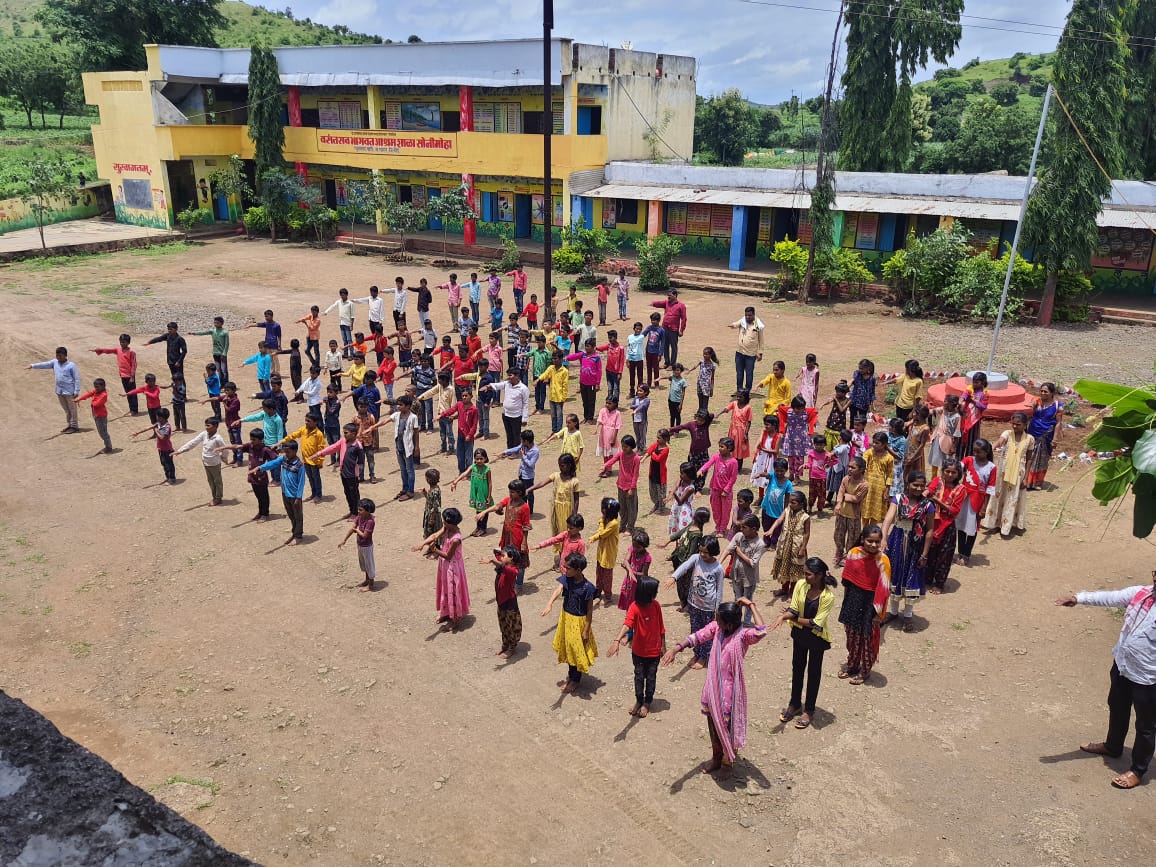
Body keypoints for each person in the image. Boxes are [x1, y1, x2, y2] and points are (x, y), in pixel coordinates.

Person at [1055, 573, 1156, 790]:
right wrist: (1079, 598)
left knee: (1146, 726)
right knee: (1117, 707)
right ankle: (1113, 746)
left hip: (1148, 679)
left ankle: (1137, 770)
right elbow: (1112, 597)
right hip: (1122, 666)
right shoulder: (1142, 593)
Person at [661, 599, 766, 774]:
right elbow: (697, 636)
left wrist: (751, 605)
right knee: (713, 725)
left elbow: (761, 631)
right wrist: (676, 649)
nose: (715, 621)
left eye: (719, 619)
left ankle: (727, 762)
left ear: (729, 624)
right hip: (712, 690)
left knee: (728, 729)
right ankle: (716, 758)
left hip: (729, 694)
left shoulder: (743, 636)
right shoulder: (717, 629)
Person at [773, 557, 836, 729]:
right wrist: (785, 615)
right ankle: (794, 704)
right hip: (800, 635)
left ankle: (809, 710)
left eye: (808, 574)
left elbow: (816, 623)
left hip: (816, 638)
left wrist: (792, 617)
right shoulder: (801, 585)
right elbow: (793, 607)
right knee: (797, 668)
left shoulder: (828, 596)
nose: (805, 576)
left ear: (819, 575)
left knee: (814, 673)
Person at [882, 471, 936, 632]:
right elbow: (888, 520)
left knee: (911, 576)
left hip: (916, 545)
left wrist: (925, 553)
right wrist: (884, 538)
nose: (919, 488)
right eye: (915, 485)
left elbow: (929, 530)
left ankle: (907, 614)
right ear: (908, 484)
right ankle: (892, 611)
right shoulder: (898, 500)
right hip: (896, 542)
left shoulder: (928, 505)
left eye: (922, 485)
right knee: (895, 574)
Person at [838, 525, 891, 685]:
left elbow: (884, 589)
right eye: (870, 541)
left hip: (871, 603)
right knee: (852, 635)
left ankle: (865, 670)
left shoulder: (883, 561)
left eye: (877, 542)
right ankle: (852, 664)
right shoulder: (853, 554)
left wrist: (878, 614)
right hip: (853, 599)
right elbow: (847, 581)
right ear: (863, 539)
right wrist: (846, 604)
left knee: (868, 638)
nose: (874, 545)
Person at [607, 576, 665, 717]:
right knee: (639, 677)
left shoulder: (656, 606)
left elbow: (661, 628)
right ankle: (639, 701)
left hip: (654, 652)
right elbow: (627, 624)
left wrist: (663, 646)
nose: (656, 594)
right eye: (654, 591)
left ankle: (647, 703)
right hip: (638, 652)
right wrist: (617, 640)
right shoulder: (634, 607)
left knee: (651, 677)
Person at [542, 552, 599, 693]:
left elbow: (590, 611)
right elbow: (559, 588)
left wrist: (586, 630)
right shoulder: (568, 579)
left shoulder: (588, 588)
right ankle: (572, 675)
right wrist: (549, 603)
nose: (565, 570)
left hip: (578, 622)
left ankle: (575, 680)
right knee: (568, 648)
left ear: (578, 570)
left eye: (568, 568)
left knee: (576, 649)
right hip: (566, 618)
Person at [667, 535, 725, 669]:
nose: (702, 554)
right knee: (695, 630)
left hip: (708, 608)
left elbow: (720, 591)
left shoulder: (718, 568)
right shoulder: (696, 558)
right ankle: (696, 653)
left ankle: (704, 657)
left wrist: (717, 610)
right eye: (701, 551)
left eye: (706, 552)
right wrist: (674, 577)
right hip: (693, 604)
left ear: (713, 551)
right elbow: (684, 566)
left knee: (706, 633)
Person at [415, 508, 469, 631]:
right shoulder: (447, 529)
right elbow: (435, 535)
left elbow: (448, 555)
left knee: (453, 592)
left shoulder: (456, 538)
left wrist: (435, 550)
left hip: (453, 567)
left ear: (451, 523)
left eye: (445, 522)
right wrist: (422, 544)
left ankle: (455, 619)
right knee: (445, 589)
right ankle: (446, 613)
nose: (443, 524)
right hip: (445, 566)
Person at [528, 454, 581, 561]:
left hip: (567, 511)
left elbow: (576, 500)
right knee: (557, 533)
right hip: (556, 510)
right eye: (559, 465)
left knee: (566, 533)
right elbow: (542, 482)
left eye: (563, 465)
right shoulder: (556, 476)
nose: (561, 468)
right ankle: (562, 557)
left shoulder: (574, 481)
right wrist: (530, 489)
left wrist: (574, 515)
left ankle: (567, 559)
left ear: (570, 465)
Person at [925, 459, 966, 594]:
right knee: (929, 552)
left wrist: (936, 500)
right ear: (943, 471)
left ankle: (939, 584)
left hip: (947, 526)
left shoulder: (961, 489)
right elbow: (928, 491)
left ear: (958, 474)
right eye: (947, 471)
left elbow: (954, 510)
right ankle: (927, 579)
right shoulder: (937, 481)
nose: (949, 474)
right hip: (931, 521)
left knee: (944, 555)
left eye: (953, 472)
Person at [218, 429, 276, 520]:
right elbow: (237, 446)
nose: (251, 441)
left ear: (260, 440)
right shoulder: (250, 446)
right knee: (258, 496)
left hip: (262, 477)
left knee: (263, 496)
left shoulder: (265, 450)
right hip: (252, 477)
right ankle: (260, 512)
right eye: (251, 439)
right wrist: (225, 447)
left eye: (254, 440)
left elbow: (275, 460)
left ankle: (265, 514)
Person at [258, 440, 306, 545]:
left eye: (288, 452)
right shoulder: (283, 459)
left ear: (295, 451)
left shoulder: (299, 465)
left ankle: (298, 535)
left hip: (294, 496)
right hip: (285, 493)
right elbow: (273, 463)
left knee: (298, 516)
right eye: (285, 451)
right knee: (291, 514)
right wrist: (260, 468)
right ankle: (294, 532)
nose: (286, 454)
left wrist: (298, 497)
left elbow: (301, 483)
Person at [956, 438, 996, 566]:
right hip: (964, 498)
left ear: (986, 452)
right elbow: (959, 466)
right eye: (974, 451)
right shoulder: (969, 460)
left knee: (972, 528)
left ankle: (966, 554)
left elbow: (990, 489)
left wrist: (984, 507)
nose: (976, 454)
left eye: (979, 452)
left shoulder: (992, 467)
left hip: (978, 500)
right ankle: (960, 552)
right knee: (961, 526)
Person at [173, 417, 227, 504]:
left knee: (217, 481)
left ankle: (218, 498)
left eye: (208, 425)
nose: (206, 427)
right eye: (205, 425)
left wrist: (224, 458)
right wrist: (180, 450)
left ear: (215, 426)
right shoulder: (204, 434)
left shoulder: (218, 439)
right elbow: (193, 442)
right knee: (210, 481)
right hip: (206, 462)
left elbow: (225, 450)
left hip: (215, 464)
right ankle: (214, 497)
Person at [481, 546, 523, 657]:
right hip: (501, 601)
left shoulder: (513, 570)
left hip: (510, 602)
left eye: (503, 556)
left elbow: (504, 567)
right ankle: (505, 644)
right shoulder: (503, 566)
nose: (500, 557)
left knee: (512, 625)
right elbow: (497, 553)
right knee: (503, 624)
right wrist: (501, 551)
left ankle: (512, 647)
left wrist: (493, 560)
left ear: (511, 558)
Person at [316, 421, 363, 518]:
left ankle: (356, 513)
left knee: (354, 494)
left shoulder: (358, 446)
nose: (344, 434)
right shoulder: (343, 441)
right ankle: (351, 511)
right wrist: (320, 453)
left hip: (352, 475)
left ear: (353, 434)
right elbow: (333, 448)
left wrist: (358, 474)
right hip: (344, 473)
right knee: (347, 493)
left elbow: (361, 462)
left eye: (346, 433)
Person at [30, 346, 82, 433]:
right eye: (57, 356)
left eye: (60, 356)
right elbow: (44, 364)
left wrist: (76, 391)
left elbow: (77, 379)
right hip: (59, 391)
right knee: (66, 409)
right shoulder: (55, 362)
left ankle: (75, 426)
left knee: (72, 409)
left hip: (69, 391)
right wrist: (32, 366)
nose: (58, 357)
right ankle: (69, 425)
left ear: (65, 356)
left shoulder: (71, 365)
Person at [725, 515, 765, 623]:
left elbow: (753, 562)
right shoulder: (739, 536)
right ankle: (736, 620)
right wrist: (719, 562)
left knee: (747, 600)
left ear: (753, 529)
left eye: (744, 527)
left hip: (749, 578)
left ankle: (747, 623)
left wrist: (739, 552)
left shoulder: (760, 544)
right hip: (736, 574)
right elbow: (728, 549)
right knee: (737, 599)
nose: (741, 529)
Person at [769, 491, 810, 598]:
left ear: (801, 504)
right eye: (789, 502)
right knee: (784, 566)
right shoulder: (787, 511)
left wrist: (803, 548)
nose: (790, 504)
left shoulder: (805, 517)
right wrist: (771, 529)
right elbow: (779, 520)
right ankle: (784, 589)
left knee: (795, 568)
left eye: (793, 502)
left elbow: (806, 533)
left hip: (796, 547)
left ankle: (792, 591)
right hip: (784, 544)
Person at [281, 412, 327, 504]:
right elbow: (293, 435)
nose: (306, 422)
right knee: (310, 477)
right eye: (306, 420)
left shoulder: (318, 434)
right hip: (306, 460)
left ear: (315, 422)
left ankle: (318, 494)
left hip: (314, 461)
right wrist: (283, 441)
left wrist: (320, 462)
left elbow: (321, 448)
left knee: (316, 478)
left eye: (309, 421)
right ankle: (313, 493)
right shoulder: (303, 430)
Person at [381, 395, 420, 500]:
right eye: (398, 404)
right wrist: (373, 427)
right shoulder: (397, 415)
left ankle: (410, 491)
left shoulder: (413, 417)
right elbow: (385, 421)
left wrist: (417, 447)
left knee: (409, 470)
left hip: (408, 448)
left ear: (408, 406)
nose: (398, 406)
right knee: (403, 470)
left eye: (401, 405)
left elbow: (416, 433)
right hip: (399, 447)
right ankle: (405, 488)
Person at [601, 435, 640, 539]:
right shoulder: (621, 454)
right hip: (620, 485)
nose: (624, 448)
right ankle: (623, 525)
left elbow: (635, 475)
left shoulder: (636, 458)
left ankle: (630, 527)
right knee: (622, 508)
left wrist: (632, 488)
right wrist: (605, 465)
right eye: (622, 446)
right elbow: (613, 459)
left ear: (631, 446)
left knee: (631, 508)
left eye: (626, 447)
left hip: (630, 487)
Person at [698, 437, 739, 537]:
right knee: (716, 510)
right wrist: (701, 470)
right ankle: (718, 527)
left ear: (729, 448)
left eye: (722, 446)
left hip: (726, 492)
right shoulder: (716, 457)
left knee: (725, 511)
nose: (720, 448)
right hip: (715, 488)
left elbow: (733, 478)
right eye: (719, 446)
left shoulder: (733, 462)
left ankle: (722, 529)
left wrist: (726, 489)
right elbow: (708, 463)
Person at [1026, 383, 1063, 489]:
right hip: (1033, 432)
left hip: (1047, 435)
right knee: (1029, 456)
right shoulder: (1037, 402)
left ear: (1052, 393)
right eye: (1041, 391)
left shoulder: (1057, 406)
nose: (1043, 393)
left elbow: (1059, 423)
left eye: (1045, 391)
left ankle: (1037, 482)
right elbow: (1029, 413)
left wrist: (1055, 438)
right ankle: (1027, 480)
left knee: (1043, 459)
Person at [832, 456, 868, 567]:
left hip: (854, 515)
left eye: (853, 467)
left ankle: (848, 554)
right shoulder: (846, 479)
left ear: (862, 469)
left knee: (853, 537)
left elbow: (856, 499)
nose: (850, 469)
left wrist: (844, 496)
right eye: (849, 467)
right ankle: (839, 551)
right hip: (842, 513)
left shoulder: (864, 485)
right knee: (838, 534)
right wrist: (838, 503)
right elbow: (840, 492)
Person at [450, 448, 493, 537]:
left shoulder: (487, 470)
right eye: (477, 459)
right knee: (478, 510)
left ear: (485, 458)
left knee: (483, 511)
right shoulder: (473, 467)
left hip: (483, 493)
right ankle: (478, 527)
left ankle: (483, 528)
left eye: (481, 458)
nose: (479, 460)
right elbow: (464, 473)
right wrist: (456, 481)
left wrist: (489, 496)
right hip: (476, 493)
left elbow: (490, 483)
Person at [91, 335, 139, 415]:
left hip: (129, 376)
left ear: (128, 343)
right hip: (123, 375)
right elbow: (109, 351)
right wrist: (99, 350)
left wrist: (132, 376)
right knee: (127, 393)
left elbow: (134, 365)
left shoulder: (131, 352)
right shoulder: (118, 350)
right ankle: (131, 409)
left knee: (132, 393)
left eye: (124, 342)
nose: (122, 343)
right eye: (121, 342)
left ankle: (134, 410)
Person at [482, 371, 530, 449]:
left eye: (510, 375)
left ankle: (516, 451)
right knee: (509, 434)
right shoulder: (507, 384)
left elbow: (525, 404)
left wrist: (525, 418)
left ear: (517, 376)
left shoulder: (523, 388)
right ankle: (509, 450)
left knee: (516, 435)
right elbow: (497, 385)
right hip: (506, 414)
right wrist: (487, 386)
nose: (508, 377)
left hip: (516, 416)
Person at [339, 498, 377, 591]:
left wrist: (357, 530)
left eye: (361, 510)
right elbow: (352, 528)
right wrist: (344, 540)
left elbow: (364, 536)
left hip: (367, 547)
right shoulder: (359, 518)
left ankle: (371, 585)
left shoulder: (370, 522)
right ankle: (367, 580)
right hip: (360, 545)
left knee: (369, 564)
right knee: (364, 564)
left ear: (367, 511)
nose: (358, 511)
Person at [589, 497, 621, 603]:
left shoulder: (614, 523)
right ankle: (598, 591)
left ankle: (607, 595)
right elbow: (600, 532)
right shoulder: (605, 520)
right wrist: (593, 538)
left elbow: (602, 534)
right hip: (601, 552)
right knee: (599, 573)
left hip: (608, 553)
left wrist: (601, 521)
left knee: (607, 576)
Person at [778, 394, 817, 482]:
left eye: (802, 408)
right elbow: (781, 411)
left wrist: (811, 431)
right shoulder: (789, 412)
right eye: (798, 408)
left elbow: (813, 413)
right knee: (790, 457)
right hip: (790, 438)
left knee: (799, 459)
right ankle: (791, 475)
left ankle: (797, 477)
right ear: (793, 407)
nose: (800, 410)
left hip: (802, 439)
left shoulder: (806, 413)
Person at [441, 387, 479, 474]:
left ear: (471, 396)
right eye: (463, 396)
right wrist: (442, 415)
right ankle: (461, 471)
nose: (464, 397)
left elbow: (474, 425)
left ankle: (468, 472)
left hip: (468, 437)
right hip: (461, 435)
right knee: (459, 454)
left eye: (466, 395)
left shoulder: (474, 409)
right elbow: (451, 410)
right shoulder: (459, 405)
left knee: (468, 455)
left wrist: (470, 435)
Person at [728, 307, 764, 394]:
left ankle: (747, 390)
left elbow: (761, 340)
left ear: (754, 315)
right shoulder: (743, 321)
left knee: (749, 373)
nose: (747, 317)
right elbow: (736, 324)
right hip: (740, 352)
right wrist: (732, 325)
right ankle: (739, 389)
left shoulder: (758, 325)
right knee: (739, 372)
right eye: (746, 315)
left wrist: (760, 353)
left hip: (751, 354)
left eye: (749, 315)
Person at [863, 431, 895, 526]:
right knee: (865, 510)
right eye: (874, 442)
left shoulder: (889, 458)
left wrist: (887, 490)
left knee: (876, 513)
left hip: (880, 487)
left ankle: (871, 532)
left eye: (877, 443)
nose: (874, 444)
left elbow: (890, 474)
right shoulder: (869, 453)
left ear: (884, 444)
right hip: (867, 484)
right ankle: (864, 531)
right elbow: (863, 464)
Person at [565, 341, 601, 425]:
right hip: (583, 383)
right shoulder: (583, 355)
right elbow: (574, 356)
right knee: (585, 401)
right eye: (586, 346)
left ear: (593, 347)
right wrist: (566, 358)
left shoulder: (596, 358)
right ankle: (585, 417)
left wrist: (597, 383)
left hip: (592, 384)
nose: (586, 348)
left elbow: (599, 371)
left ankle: (590, 418)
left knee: (591, 401)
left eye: (588, 346)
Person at [650, 290, 687, 368]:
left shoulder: (681, 306)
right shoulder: (667, 303)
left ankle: (673, 364)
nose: (668, 297)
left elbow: (684, 319)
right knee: (665, 346)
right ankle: (667, 362)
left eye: (670, 295)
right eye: (668, 295)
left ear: (675, 295)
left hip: (674, 330)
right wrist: (653, 303)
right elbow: (659, 303)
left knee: (674, 347)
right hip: (664, 329)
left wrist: (681, 330)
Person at [717, 391, 753, 471]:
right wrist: (718, 414)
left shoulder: (748, 407)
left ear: (745, 398)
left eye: (740, 397)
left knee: (740, 449)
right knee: (730, 447)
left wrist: (746, 434)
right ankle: (730, 465)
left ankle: (738, 467)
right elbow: (726, 409)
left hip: (741, 431)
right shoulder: (734, 403)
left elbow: (749, 422)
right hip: (732, 430)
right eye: (738, 396)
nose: (738, 398)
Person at [928, 393, 961, 479]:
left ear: (952, 403)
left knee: (945, 462)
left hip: (947, 441)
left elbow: (957, 433)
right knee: (934, 460)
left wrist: (954, 447)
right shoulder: (943, 410)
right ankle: (933, 479)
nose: (944, 402)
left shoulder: (957, 416)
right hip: (938, 437)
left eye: (946, 401)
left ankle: (944, 480)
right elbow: (932, 411)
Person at [803, 433, 837, 514]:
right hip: (812, 477)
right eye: (817, 444)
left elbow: (836, 461)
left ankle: (820, 508)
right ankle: (810, 507)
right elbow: (809, 464)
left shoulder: (827, 454)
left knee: (821, 495)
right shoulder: (811, 453)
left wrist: (829, 464)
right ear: (814, 444)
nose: (819, 446)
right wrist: (805, 466)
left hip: (822, 478)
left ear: (824, 444)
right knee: (812, 494)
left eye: (821, 444)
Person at [959, 371, 989, 459]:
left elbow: (983, 406)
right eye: (973, 382)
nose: (974, 384)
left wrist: (973, 401)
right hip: (965, 417)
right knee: (961, 439)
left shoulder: (985, 394)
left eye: (977, 382)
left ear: (982, 383)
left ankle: (968, 460)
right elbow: (964, 396)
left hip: (974, 420)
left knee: (971, 440)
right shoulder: (969, 389)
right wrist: (961, 401)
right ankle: (959, 459)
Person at [246, 310, 283, 377]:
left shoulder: (277, 325)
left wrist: (279, 345)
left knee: (275, 359)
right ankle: (272, 372)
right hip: (267, 345)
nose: (266, 318)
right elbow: (258, 324)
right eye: (265, 316)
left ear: (271, 316)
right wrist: (250, 325)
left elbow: (279, 336)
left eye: (267, 316)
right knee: (270, 359)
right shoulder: (266, 324)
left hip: (274, 345)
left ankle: (277, 372)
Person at [818, 380, 850, 451]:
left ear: (844, 393)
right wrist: (822, 405)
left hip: (840, 421)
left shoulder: (848, 400)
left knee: (837, 435)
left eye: (839, 392)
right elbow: (829, 401)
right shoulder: (836, 397)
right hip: (832, 419)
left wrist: (836, 400)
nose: (837, 393)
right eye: (837, 391)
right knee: (829, 434)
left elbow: (842, 410)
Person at [644, 428, 671, 514]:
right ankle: (656, 504)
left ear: (665, 439)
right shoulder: (656, 444)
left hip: (660, 474)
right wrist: (644, 458)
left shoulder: (666, 449)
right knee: (653, 490)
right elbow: (649, 450)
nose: (657, 439)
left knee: (661, 493)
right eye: (657, 437)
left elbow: (658, 458)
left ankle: (661, 508)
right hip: (653, 472)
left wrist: (653, 454)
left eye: (659, 438)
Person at [323, 288, 356, 357]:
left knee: (349, 340)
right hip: (341, 323)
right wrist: (326, 311)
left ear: (346, 295)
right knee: (344, 339)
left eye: (343, 295)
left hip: (347, 323)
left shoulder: (350, 303)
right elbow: (333, 306)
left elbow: (352, 315)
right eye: (341, 295)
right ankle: (346, 353)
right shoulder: (339, 302)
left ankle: (352, 354)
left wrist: (352, 325)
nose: (342, 296)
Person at [848, 359, 876, 425]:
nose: (860, 370)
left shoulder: (872, 378)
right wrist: (846, 387)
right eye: (859, 368)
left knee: (862, 422)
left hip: (864, 404)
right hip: (854, 401)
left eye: (862, 369)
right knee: (852, 421)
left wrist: (871, 404)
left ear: (867, 368)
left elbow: (872, 391)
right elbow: (852, 380)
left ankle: (861, 434)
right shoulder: (857, 373)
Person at [641, 313, 665, 388]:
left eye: (654, 320)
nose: (653, 322)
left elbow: (663, 343)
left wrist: (660, 354)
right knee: (648, 368)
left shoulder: (661, 330)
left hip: (656, 353)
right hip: (648, 351)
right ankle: (649, 383)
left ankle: (656, 384)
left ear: (658, 321)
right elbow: (643, 335)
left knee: (656, 369)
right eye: (652, 320)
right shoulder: (649, 328)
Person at [596, 395, 622, 461]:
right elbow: (599, 420)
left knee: (610, 453)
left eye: (609, 403)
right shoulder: (602, 410)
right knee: (604, 452)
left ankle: (609, 468)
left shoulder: (617, 413)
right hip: (603, 434)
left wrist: (613, 438)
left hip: (611, 434)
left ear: (615, 404)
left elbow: (617, 427)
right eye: (606, 403)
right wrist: (596, 429)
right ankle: (605, 467)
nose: (607, 405)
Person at [629, 383, 651, 449]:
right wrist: (637, 406)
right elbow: (631, 406)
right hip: (635, 420)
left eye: (641, 391)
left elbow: (643, 406)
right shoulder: (636, 398)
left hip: (642, 421)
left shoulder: (647, 400)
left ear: (646, 392)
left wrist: (636, 410)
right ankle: (638, 447)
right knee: (637, 435)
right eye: (638, 390)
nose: (638, 392)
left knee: (642, 435)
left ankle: (642, 448)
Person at [625, 321, 645, 393]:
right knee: (632, 376)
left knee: (640, 376)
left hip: (639, 359)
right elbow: (628, 348)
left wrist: (630, 343)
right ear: (634, 329)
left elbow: (634, 342)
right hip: (631, 358)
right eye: (637, 329)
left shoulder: (641, 337)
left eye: (640, 329)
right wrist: (627, 359)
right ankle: (632, 390)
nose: (638, 330)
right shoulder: (630, 337)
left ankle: (640, 391)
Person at [666, 362, 687, 428]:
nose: (676, 372)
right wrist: (660, 378)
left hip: (677, 401)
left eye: (678, 370)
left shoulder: (683, 381)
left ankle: (677, 430)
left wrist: (681, 404)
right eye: (674, 370)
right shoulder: (673, 377)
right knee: (672, 416)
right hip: (671, 400)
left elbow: (683, 393)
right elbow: (668, 377)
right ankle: (672, 429)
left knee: (677, 416)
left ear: (681, 371)